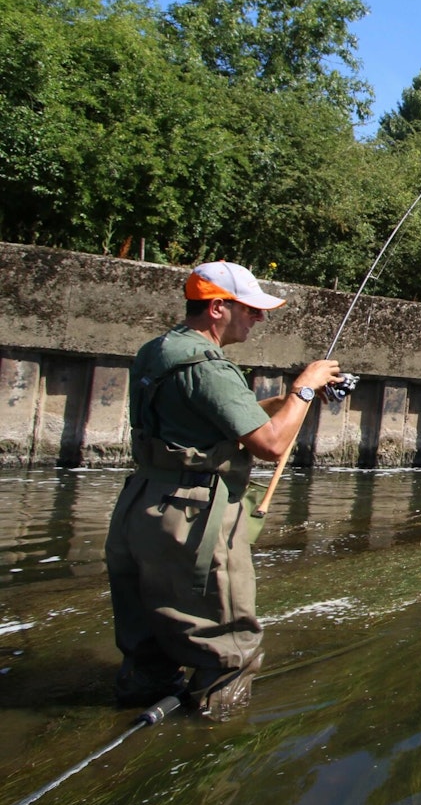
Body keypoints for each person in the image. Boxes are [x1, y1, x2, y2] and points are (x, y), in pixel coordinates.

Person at [105, 261, 343, 720]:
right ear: (217, 308)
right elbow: (271, 444)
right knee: (230, 653)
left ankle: (140, 695)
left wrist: (290, 399)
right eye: (251, 309)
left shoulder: (158, 351)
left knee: (148, 644)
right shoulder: (208, 366)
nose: (259, 318)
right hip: (192, 516)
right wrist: (305, 391)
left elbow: (214, 416)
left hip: (141, 506)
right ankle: (213, 743)